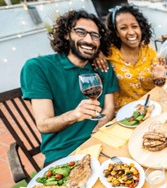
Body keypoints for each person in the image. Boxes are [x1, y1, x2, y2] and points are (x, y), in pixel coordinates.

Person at [20, 10, 118, 166]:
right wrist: (75, 115)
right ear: (66, 34)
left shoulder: (103, 68)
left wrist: (96, 131)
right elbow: (44, 124)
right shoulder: (38, 67)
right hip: (64, 152)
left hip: (102, 141)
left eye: (94, 35)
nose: (89, 40)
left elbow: (109, 108)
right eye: (81, 32)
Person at [93, 5, 167, 110]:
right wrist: (96, 53)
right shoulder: (107, 54)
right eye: (123, 28)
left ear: (141, 28)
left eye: (134, 26)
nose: (131, 32)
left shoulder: (149, 50)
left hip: (151, 107)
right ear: (116, 32)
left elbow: (159, 82)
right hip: (124, 114)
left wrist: (160, 77)